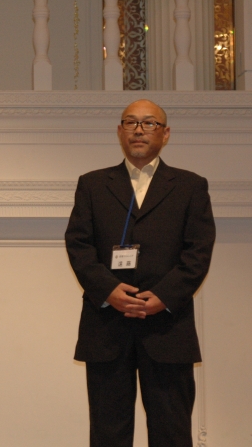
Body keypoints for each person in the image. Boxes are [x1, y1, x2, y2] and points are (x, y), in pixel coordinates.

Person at [65, 99, 216, 447]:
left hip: (168, 328)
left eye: (149, 123)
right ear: (120, 131)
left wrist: (164, 296)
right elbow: (78, 245)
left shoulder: (191, 186)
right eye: (130, 122)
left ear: (165, 133)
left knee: (172, 432)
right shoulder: (92, 184)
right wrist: (109, 290)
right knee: (108, 433)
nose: (138, 130)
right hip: (106, 327)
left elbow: (198, 251)